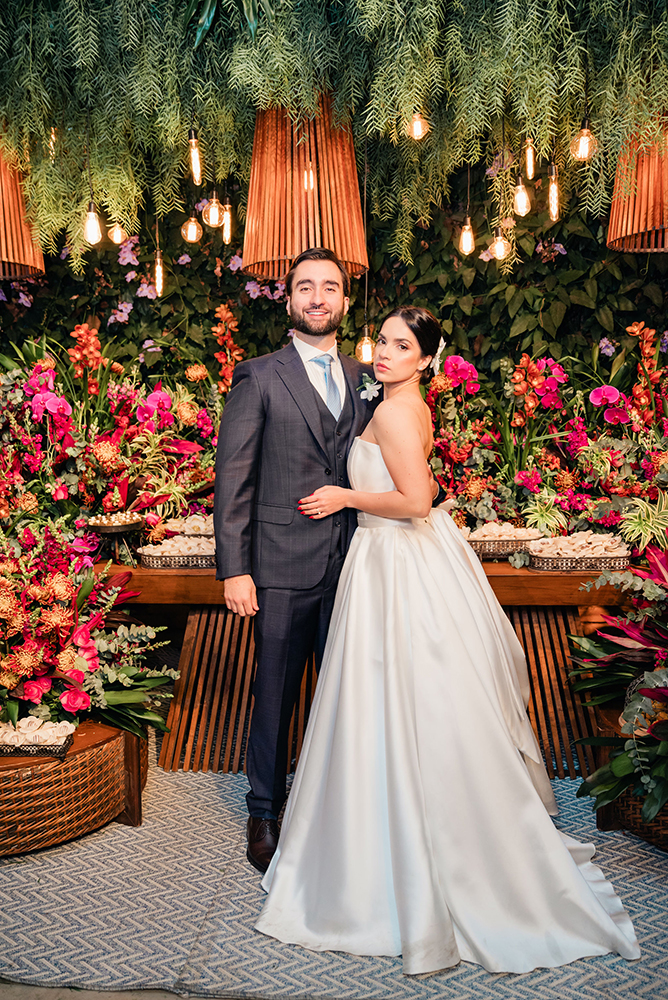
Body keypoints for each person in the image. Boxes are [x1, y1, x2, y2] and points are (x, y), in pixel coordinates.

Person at [254, 305, 640, 976]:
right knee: (390, 701)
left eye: (401, 346)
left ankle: (409, 850)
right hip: (388, 563)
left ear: (426, 358)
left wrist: (344, 497)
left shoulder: (400, 414)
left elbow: (416, 499)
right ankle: (385, 828)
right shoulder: (400, 402)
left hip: (396, 564)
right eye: (382, 340)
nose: (384, 352)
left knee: (404, 698)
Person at [214, 247, 381, 874]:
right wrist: (236, 568)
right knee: (275, 694)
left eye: (329, 287)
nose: (318, 297)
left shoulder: (368, 376)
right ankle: (264, 811)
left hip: (358, 565)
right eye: (305, 287)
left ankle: (339, 810)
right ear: (288, 300)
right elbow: (233, 479)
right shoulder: (259, 376)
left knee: (349, 693)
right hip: (280, 565)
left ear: (344, 300)